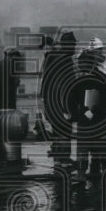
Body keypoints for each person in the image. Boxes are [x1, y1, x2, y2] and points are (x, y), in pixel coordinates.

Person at [73, 46, 106, 177]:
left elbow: (105, 101)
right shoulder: (87, 79)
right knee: (92, 153)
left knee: (95, 154)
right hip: (93, 122)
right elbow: (73, 99)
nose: (79, 66)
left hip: (96, 122)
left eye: (81, 63)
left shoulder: (100, 79)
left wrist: (91, 111)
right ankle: (89, 176)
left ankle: (89, 176)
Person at [41, 30, 77, 165]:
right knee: (65, 130)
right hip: (61, 103)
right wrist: (67, 107)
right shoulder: (65, 60)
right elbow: (67, 85)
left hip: (51, 102)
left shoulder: (53, 57)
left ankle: (58, 158)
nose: (74, 47)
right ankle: (63, 158)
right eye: (73, 44)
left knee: (58, 130)